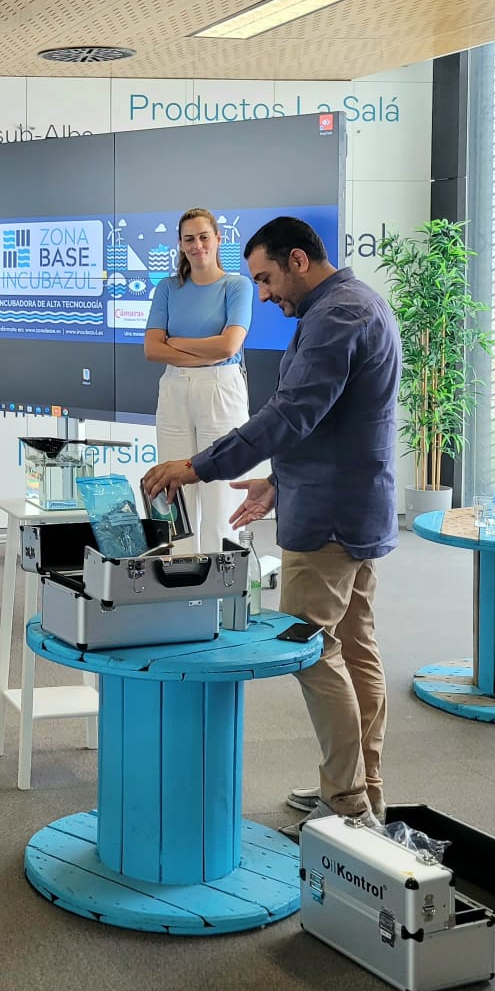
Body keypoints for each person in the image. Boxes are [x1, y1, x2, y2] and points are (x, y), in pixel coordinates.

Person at [141, 215, 400, 828]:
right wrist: (278, 482)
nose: (262, 294)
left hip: (329, 521)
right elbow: (333, 421)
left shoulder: (336, 318)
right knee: (354, 646)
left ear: (298, 261)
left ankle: (348, 805)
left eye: (265, 278)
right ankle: (362, 789)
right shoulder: (351, 305)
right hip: (351, 506)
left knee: (314, 651)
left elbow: (289, 416)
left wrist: (197, 467)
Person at [144, 208, 256, 551]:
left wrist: (175, 342)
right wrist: (206, 351)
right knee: (173, 492)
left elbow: (228, 346)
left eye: (204, 237)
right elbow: (152, 349)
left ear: (218, 239)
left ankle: (220, 576)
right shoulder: (167, 288)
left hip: (220, 389)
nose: (197, 245)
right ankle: (177, 573)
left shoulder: (237, 286)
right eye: (189, 239)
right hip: (175, 389)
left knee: (221, 492)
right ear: (180, 244)